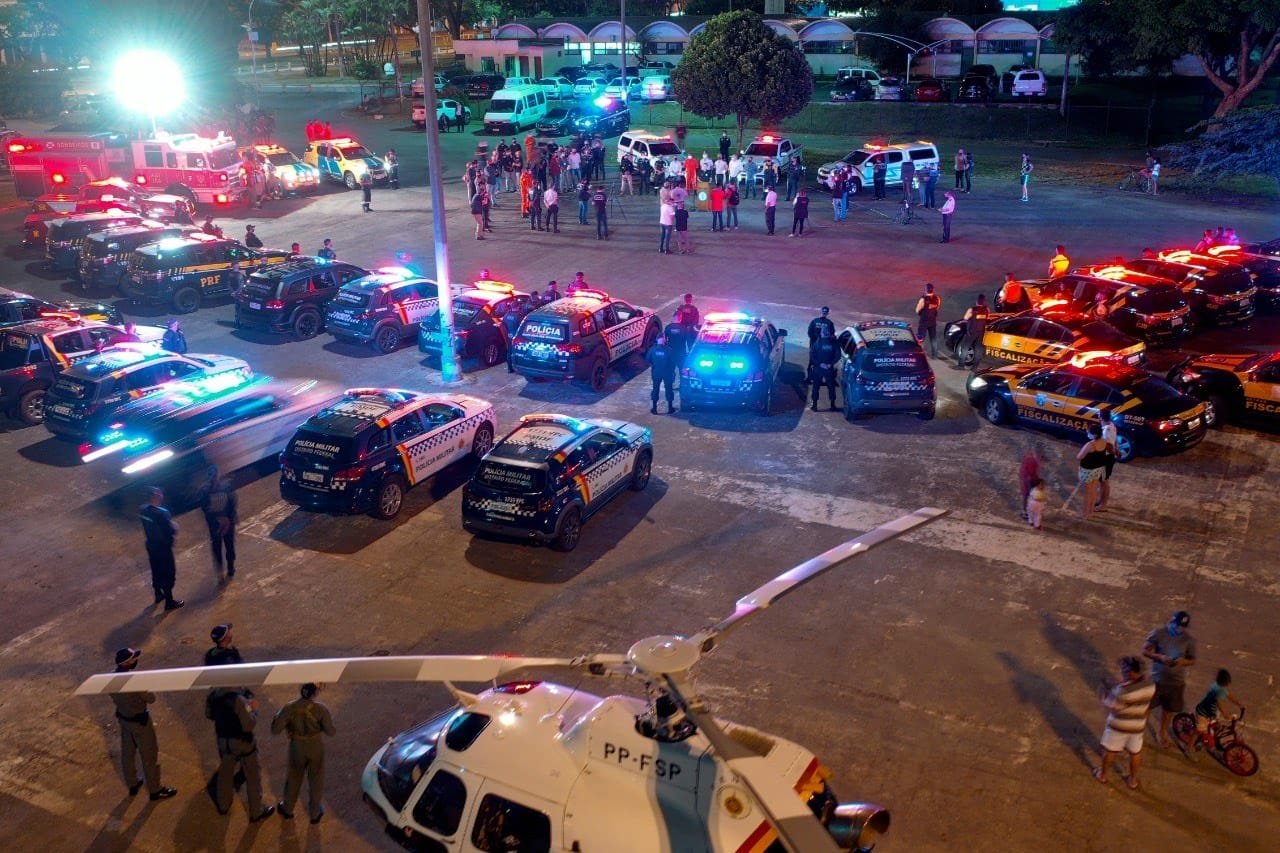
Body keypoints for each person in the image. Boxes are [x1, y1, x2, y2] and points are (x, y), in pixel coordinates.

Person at [108, 647, 178, 801]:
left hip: (124, 720)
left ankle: (132, 783)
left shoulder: (111, 677)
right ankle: (155, 789)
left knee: (128, 753)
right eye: (133, 658)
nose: (136, 660)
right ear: (127, 663)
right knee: (149, 755)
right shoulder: (134, 681)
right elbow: (151, 699)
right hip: (140, 722)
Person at [205, 673, 273, 821]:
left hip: (223, 741)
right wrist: (253, 709)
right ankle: (256, 811)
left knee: (225, 772)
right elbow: (249, 725)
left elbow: (208, 714)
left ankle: (223, 805)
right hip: (243, 743)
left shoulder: (214, 696)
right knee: (252, 774)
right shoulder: (239, 700)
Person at [272, 683, 336, 824]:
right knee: (316, 779)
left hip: (297, 746)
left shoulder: (289, 707)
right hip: (315, 746)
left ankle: (287, 809)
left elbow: (275, 730)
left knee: (294, 777)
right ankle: (314, 813)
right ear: (314, 694)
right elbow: (331, 732)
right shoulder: (321, 709)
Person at [1092, 656, 1156, 789]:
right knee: (1135, 753)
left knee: (1110, 751)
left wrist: (1104, 694)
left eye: (1125, 669)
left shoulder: (1122, 692)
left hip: (1118, 727)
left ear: (1131, 672)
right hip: (1137, 727)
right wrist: (1118, 685)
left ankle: (1103, 775)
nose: (1122, 671)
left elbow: (1113, 706)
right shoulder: (1151, 685)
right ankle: (1133, 781)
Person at [1143, 610, 1197, 749]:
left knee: (1168, 710)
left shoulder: (1189, 640)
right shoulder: (1158, 633)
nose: (1180, 629)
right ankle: (1139, 732)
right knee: (1147, 707)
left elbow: (1192, 660)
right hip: (1157, 680)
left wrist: (1182, 662)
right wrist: (1159, 657)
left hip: (1176, 682)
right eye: (1177, 626)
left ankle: (1161, 733)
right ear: (1171, 622)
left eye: (1183, 627)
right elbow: (1145, 651)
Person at [139, 487, 183, 610]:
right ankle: (169, 602)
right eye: (159, 493)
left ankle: (158, 594)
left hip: (151, 546)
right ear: (156, 496)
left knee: (156, 570)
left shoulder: (143, 510)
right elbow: (170, 530)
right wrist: (174, 528)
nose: (161, 495)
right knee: (168, 574)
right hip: (163, 548)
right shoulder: (163, 513)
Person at [1191, 669, 1245, 752]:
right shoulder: (1217, 692)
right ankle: (1189, 747)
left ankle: (1212, 739)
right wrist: (1228, 716)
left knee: (1217, 726)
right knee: (1199, 731)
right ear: (1225, 682)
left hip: (1211, 712)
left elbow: (1228, 695)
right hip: (1203, 713)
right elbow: (1221, 707)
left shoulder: (1218, 686)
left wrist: (1239, 704)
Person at [201, 465, 237, 579]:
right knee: (217, 548)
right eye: (212, 475)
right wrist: (218, 518)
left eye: (215, 474)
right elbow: (205, 508)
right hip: (215, 525)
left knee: (229, 546)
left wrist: (230, 518)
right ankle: (220, 571)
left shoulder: (226, 487)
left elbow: (232, 504)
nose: (214, 477)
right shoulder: (205, 491)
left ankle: (230, 567)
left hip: (227, 523)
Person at [1076, 424, 1110, 520]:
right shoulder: (1104, 441)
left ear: (1094, 434)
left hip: (1088, 471)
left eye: (1089, 432)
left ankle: (1085, 513)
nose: (1087, 433)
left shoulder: (1090, 445)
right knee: (1094, 490)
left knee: (1087, 493)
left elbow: (1079, 456)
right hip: (1097, 469)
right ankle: (1090, 512)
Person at [809, 325, 839, 411]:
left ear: (821, 333)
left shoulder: (817, 343)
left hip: (818, 369)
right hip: (829, 369)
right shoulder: (833, 343)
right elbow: (838, 355)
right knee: (831, 387)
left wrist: (820, 364)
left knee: (816, 387)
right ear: (829, 333)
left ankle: (814, 405)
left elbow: (812, 355)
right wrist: (830, 364)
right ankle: (832, 405)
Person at [646, 334, 678, 414]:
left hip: (656, 372)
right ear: (664, 340)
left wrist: (654, 365)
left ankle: (654, 409)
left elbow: (648, 359)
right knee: (669, 389)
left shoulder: (652, 349)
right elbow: (673, 362)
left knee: (655, 389)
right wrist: (672, 372)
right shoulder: (669, 350)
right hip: (667, 372)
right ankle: (670, 408)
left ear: (657, 339)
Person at [956, 294, 988, 369]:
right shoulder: (986, 309)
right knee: (978, 349)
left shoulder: (972, 309)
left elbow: (965, 318)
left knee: (965, 347)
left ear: (977, 301)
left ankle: (961, 365)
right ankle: (974, 367)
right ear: (984, 301)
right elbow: (987, 317)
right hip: (981, 332)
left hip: (971, 332)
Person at [1098, 412, 1119, 511]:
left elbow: (1109, 446)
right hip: (1108, 457)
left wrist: (1113, 451)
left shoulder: (1106, 430)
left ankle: (1103, 505)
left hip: (1105, 458)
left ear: (1101, 417)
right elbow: (1115, 441)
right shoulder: (1112, 425)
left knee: (1104, 481)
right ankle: (1101, 501)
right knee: (1103, 481)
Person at [915, 284, 941, 357]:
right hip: (932, 321)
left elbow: (917, 310)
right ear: (933, 290)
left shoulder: (923, 299)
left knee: (920, 337)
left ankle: (918, 353)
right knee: (933, 338)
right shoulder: (937, 298)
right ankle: (935, 354)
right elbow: (937, 308)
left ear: (926, 290)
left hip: (924, 321)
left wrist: (922, 313)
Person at [1018, 447, 1042, 520]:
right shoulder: (1033, 462)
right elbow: (1031, 473)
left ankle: (1026, 512)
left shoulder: (1028, 458)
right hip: (1029, 482)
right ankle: (1027, 512)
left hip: (1027, 481)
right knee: (1028, 497)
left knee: (1027, 497)